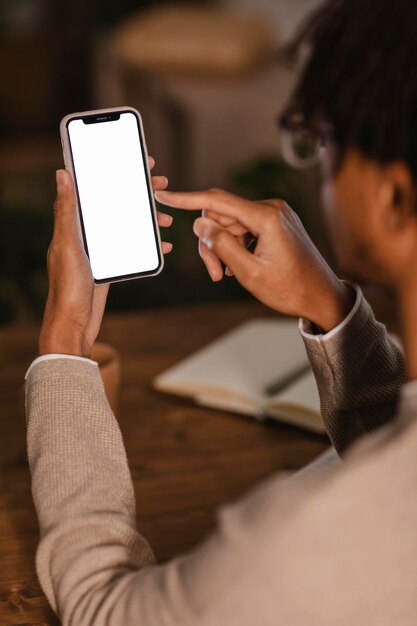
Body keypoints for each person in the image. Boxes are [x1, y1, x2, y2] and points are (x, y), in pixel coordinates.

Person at [25, 0, 417, 623]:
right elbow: (399, 444)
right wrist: (331, 307)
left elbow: (104, 607)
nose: (318, 166)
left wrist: (64, 335)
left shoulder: (309, 542)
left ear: (393, 197)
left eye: (323, 141)